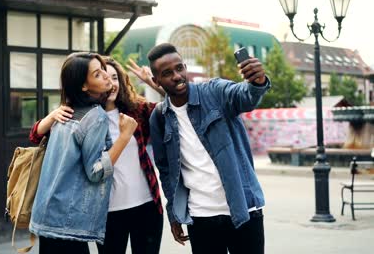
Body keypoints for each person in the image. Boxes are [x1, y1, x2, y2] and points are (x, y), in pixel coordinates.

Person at [29, 56, 164, 254]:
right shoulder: (82, 115)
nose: (110, 81)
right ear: (87, 85)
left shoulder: (136, 111)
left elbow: (173, 109)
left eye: (114, 77)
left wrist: (152, 83)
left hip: (145, 206)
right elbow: (35, 135)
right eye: (100, 75)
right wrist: (52, 115)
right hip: (107, 212)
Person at [148, 43, 270, 254]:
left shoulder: (214, 92)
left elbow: (244, 96)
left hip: (244, 210)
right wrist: (174, 214)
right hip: (201, 217)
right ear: (155, 81)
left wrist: (257, 82)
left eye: (179, 68)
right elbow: (166, 172)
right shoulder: (159, 118)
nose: (177, 76)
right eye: (167, 73)